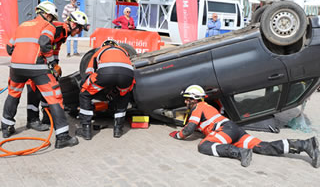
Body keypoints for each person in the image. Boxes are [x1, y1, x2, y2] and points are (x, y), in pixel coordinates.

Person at [169, 85, 320, 168]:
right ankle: (305, 144)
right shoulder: (208, 107)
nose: (185, 102)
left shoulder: (198, 108)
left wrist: (176, 135)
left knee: (204, 146)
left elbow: (188, 129)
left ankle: (240, 152)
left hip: (225, 130)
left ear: (194, 99)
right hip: (235, 130)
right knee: (263, 146)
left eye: (187, 99)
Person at [2, 1, 79, 149]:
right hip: (36, 65)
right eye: (52, 17)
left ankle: (6, 128)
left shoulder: (23, 25)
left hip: (16, 67)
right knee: (55, 97)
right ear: (48, 15)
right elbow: (44, 43)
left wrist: (21, 56)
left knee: (13, 94)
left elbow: (10, 48)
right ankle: (62, 137)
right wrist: (51, 63)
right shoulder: (48, 26)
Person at [26, 11, 90, 132]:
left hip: (43, 63)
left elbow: (55, 50)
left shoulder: (64, 34)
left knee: (47, 90)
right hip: (35, 61)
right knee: (33, 90)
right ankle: (32, 120)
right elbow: (44, 45)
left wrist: (55, 66)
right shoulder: (58, 29)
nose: (79, 32)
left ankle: (46, 118)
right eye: (79, 28)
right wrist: (52, 64)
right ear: (72, 23)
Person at [76, 39, 135, 140]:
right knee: (123, 96)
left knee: (84, 94)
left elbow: (89, 71)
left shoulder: (100, 51)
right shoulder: (124, 51)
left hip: (106, 74)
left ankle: (85, 130)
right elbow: (125, 68)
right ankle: (118, 129)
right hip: (127, 76)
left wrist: (88, 85)